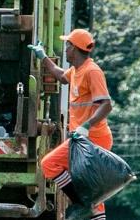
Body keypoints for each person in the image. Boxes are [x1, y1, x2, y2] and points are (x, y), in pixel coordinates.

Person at [29, 28, 112, 220]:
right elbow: (60, 76)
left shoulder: (92, 71)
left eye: (67, 46)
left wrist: (86, 126)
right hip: (83, 139)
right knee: (92, 190)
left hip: (93, 139)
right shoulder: (77, 70)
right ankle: (85, 205)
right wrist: (43, 57)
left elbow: (106, 105)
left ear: (74, 48)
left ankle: (82, 204)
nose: (65, 50)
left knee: (49, 164)